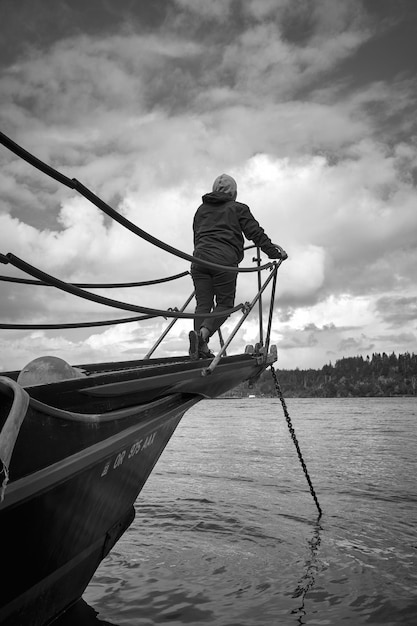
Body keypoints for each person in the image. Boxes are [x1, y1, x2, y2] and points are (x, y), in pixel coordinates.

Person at [189, 173, 287, 360]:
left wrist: (201, 256)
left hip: (199, 260)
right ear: (233, 193)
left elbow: (197, 236)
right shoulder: (238, 208)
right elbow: (255, 234)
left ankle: (199, 348)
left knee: (203, 304)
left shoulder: (201, 210)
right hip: (223, 261)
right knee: (225, 305)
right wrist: (274, 253)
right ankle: (202, 336)